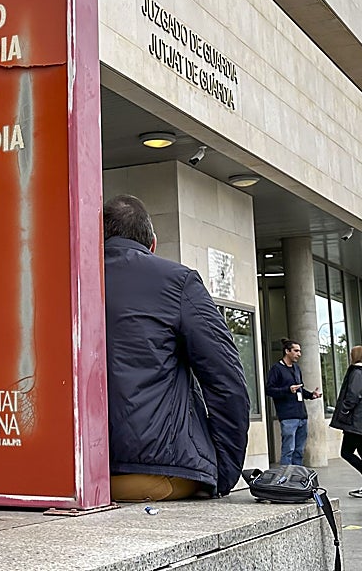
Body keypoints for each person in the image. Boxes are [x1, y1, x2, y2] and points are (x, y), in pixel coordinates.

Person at [103, 194, 250, 502]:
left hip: (75, 474)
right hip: (156, 469)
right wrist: (222, 471)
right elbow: (226, 381)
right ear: (152, 245)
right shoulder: (178, 282)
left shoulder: (61, 281)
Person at [330, 345, 362, 497]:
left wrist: (344, 411)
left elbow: (353, 395)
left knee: (346, 452)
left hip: (355, 420)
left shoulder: (357, 373)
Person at [264, 338, 321, 466]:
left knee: (299, 451)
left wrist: (312, 395)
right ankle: (285, 479)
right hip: (288, 417)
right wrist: (287, 390)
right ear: (287, 351)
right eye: (296, 351)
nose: (299, 354)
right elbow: (269, 390)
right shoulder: (276, 369)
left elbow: (299, 389)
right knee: (288, 450)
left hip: (302, 416)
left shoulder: (296, 368)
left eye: (300, 351)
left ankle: (296, 478)